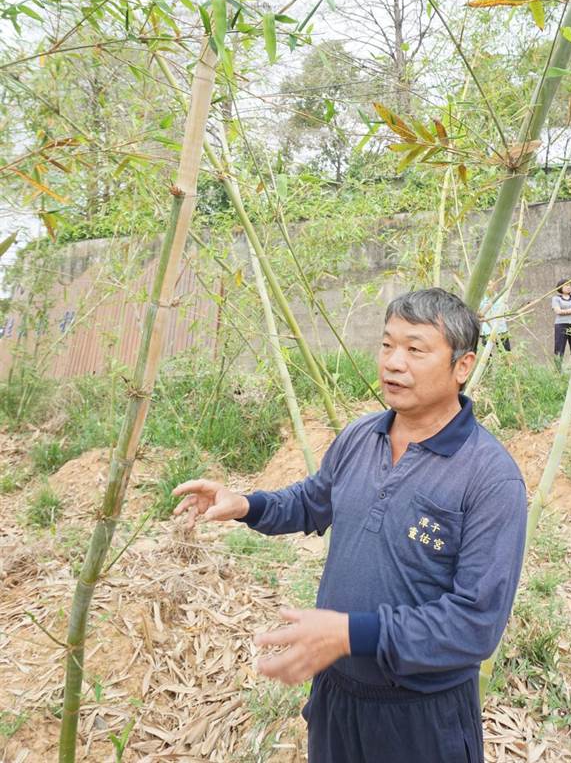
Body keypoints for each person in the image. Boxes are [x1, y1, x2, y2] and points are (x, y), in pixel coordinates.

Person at [172, 288, 527, 763]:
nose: (393, 363)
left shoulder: (488, 476)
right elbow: (311, 502)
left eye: (415, 349)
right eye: (387, 345)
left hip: (421, 716)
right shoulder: (362, 436)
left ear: (461, 367)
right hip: (337, 694)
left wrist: (350, 634)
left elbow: (475, 624)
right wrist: (246, 504)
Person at [552, 278, 571, 366]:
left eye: (569, 285)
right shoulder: (556, 299)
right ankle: (558, 370)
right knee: (559, 348)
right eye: (566, 285)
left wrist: (567, 311)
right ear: (560, 287)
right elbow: (558, 311)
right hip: (561, 325)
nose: (568, 287)